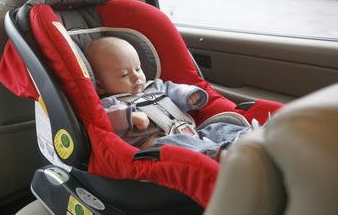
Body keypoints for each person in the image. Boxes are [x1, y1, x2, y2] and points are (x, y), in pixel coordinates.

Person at [85, 36, 252, 160]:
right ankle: (217, 154)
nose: (136, 77)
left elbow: (175, 90)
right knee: (177, 145)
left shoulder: (155, 86)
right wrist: (129, 116)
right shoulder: (111, 102)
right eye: (124, 74)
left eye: (137, 69)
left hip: (191, 133)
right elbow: (105, 120)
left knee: (218, 127)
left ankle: (248, 139)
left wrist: (188, 96)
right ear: (100, 86)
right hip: (155, 146)